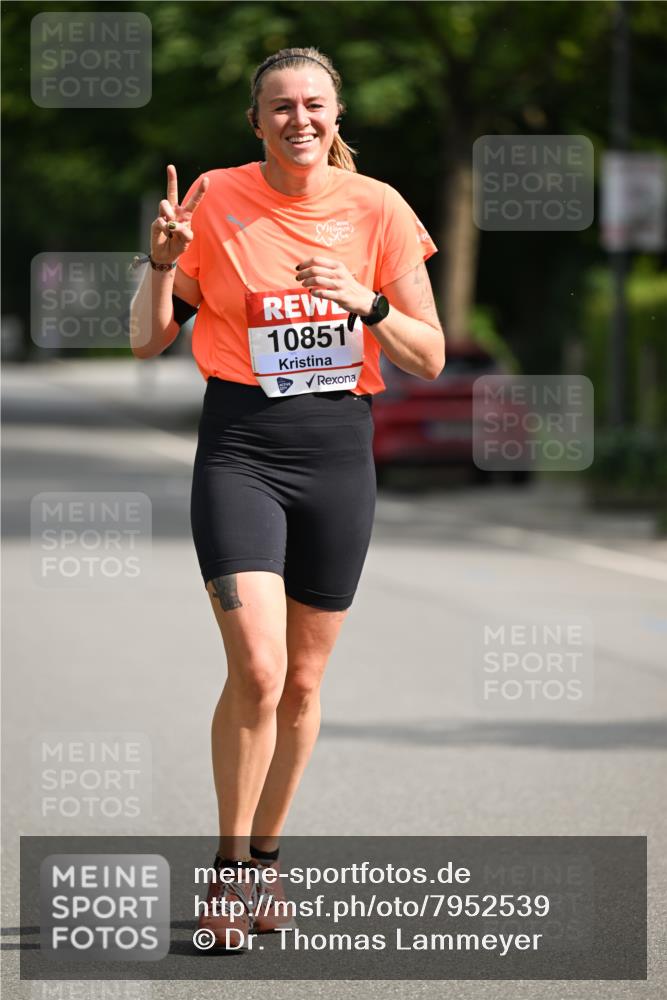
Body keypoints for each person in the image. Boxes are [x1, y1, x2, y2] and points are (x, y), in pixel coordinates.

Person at [130, 46, 444, 946]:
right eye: (279, 106)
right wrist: (157, 265)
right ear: (255, 119)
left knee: (303, 682)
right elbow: (147, 342)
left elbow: (428, 354)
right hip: (241, 449)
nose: (298, 119)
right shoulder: (215, 200)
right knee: (259, 670)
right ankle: (229, 876)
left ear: (337, 114)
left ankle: (266, 863)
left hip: (339, 451)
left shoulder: (377, 208)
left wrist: (365, 302)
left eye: (313, 104)